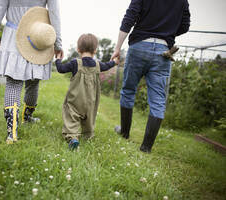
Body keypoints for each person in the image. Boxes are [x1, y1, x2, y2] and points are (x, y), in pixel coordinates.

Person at [112, 0, 190, 152]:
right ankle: (146, 147)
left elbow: (129, 18)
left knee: (128, 90)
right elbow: (185, 26)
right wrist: (167, 30)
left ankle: (124, 133)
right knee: (158, 100)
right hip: (163, 50)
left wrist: (117, 48)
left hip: (139, 45)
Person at [0, 0, 63, 144]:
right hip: (37, 37)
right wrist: (57, 43)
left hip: (13, 36)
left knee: (13, 83)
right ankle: (26, 117)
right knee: (33, 82)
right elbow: (54, 15)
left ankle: (12, 132)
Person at [55, 33, 119, 149]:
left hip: (75, 100)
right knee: (89, 118)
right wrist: (114, 62)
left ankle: (73, 137)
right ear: (95, 50)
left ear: (78, 49)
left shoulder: (75, 63)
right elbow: (108, 65)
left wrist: (58, 59)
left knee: (71, 116)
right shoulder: (98, 65)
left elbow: (61, 69)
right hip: (91, 101)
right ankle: (88, 135)